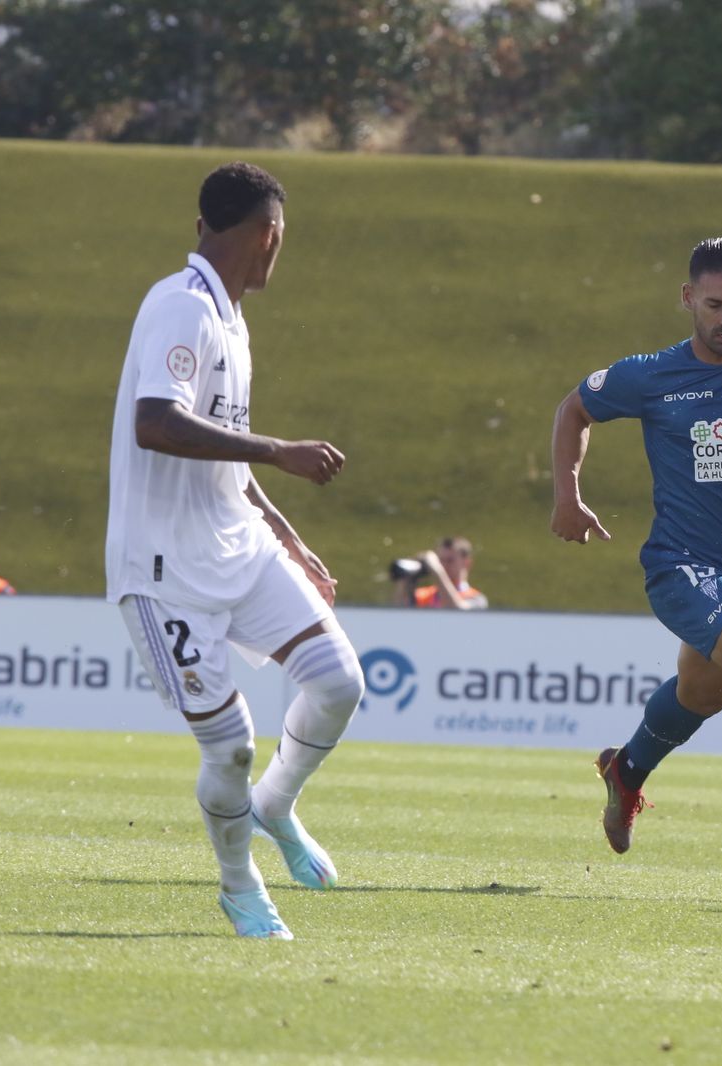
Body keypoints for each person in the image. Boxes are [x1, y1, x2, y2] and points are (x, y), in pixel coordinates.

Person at [105, 162, 364, 940]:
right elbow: (157, 421)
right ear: (270, 237)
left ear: (202, 228)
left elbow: (221, 456)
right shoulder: (182, 307)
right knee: (229, 746)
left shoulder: (229, 316)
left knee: (338, 681)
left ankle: (274, 807)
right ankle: (238, 883)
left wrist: (289, 538)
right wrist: (280, 448)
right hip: (162, 571)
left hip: (238, 547)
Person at [551, 237, 722, 891]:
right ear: (688, 300)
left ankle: (626, 772)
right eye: (714, 304)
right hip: (681, 565)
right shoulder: (653, 376)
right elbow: (575, 408)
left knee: (702, 693)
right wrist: (568, 496)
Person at [391, 536, 489, 610]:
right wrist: (406, 579)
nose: (444, 566)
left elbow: (459, 613)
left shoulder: (476, 598)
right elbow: (400, 612)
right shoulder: (425, 595)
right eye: (440, 561)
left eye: (450, 560)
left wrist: (438, 572)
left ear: (466, 563)